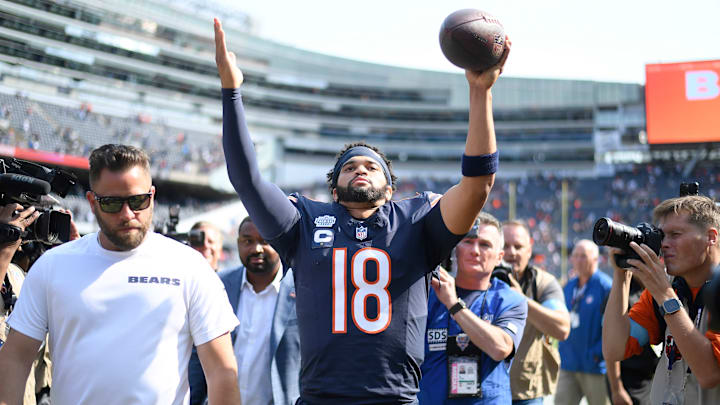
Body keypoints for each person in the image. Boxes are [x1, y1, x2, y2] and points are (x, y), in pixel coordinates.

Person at [214, 17, 509, 404]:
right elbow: (247, 180)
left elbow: (477, 185)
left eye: (372, 166)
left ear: (390, 189)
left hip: (395, 397)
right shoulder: (302, 222)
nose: (360, 170)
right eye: (349, 167)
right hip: (321, 397)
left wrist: (479, 93)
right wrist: (232, 92)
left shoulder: (418, 220)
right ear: (334, 190)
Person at [0, 144, 241, 405]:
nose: (127, 214)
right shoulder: (52, 266)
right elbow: (15, 359)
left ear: (152, 196)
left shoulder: (191, 267)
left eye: (138, 201)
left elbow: (221, 372)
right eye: (112, 203)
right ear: (92, 203)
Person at [603, 195, 720, 404]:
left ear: (711, 237)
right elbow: (614, 349)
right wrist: (622, 275)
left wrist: (665, 294)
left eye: (675, 234)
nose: (664, 244)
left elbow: (709, 374)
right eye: (662, 235)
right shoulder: (672, 287)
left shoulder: (666, 291)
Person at [190, 216, 300, 405]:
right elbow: (198, 353)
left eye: (265, 241)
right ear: (238, 242)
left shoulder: (301, 290)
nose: (256, 249)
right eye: (248, 241)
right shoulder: (218, 285)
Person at [419, 213, 527, 404]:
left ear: (499, 257)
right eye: (468, 241)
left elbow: (500, 348)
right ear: (456, 249)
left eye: (485, 244)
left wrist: (454, 305)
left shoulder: (511, 300)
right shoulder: (427, 294)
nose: (475, 250)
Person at [502, 220, 570, 404]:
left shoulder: (542, 283)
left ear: (529, 250)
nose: (511, 252)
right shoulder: (478, 278)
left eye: (518, 246)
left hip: (526, 390)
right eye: (505, 246)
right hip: (484, 387)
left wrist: (521, 300)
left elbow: (562, 328)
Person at [555, 240, 612, 405]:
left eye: (584, 256)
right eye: (575, 256)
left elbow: (613, 327)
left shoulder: (605, 287)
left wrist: (597, 354)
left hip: (594, 367)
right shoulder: (569, 286)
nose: (578, 260)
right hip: (569, 363)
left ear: (596, 259)